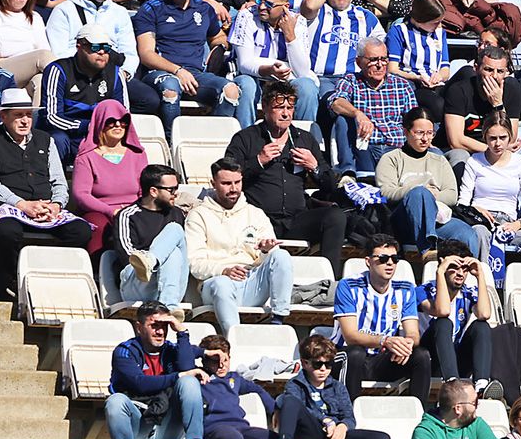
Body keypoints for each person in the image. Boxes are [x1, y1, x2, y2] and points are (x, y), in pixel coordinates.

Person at [0, 87, 93, 301]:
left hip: (47, 209)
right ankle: (7, 283)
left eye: (28, 115)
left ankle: (53, 279)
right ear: (4, 116)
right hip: (10, 208)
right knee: (7, 231)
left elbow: (58, 180)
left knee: (81, 231)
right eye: (18, 115)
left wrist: (56, 205)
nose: (24, 121)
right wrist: (22, 204)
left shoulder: (45, 139)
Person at [226, 80, 347, 276]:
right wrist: (258, 160)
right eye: (279, 107)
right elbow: (228, 179)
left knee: (335, 217)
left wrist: (314, 166)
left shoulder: (304, 139)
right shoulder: (245, 138)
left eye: (290, 108)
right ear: (265, 107)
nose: (286, 113)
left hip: (295, 220)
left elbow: (330, 186)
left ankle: (327, 280)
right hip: (258, 221)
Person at [103, 303, 218, 439]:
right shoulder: (125, 351)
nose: (160, 331)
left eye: (164, 326)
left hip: (168, 424)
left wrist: (180, 330)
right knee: (115, 402)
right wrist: (177, 376)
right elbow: (139, 383)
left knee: (189, 382)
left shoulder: (171, 349)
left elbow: (186, 365)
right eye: (154, 325)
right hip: (139, 422)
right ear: (139, 327)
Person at [185, 157, 294, 333]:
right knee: (222, 284)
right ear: (213, 183)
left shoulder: (255, 213)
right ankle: (234, 339)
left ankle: (278, 321)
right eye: (226, 183)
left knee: (281, 256)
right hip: (216, 283)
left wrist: (266, 251)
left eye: (237, 182)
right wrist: (223, 270)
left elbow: (272, 258)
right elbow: (194, 262)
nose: (234, 189)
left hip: (252, 280)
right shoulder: (198, 215)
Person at [133, 0, 238, 131]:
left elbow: (218, 37)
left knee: (230, 90)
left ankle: (215, 142)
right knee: (171, 88)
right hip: (161, 73)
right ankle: (171, 143)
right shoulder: (151, 9)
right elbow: (146, 54)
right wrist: (177, 71)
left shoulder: (203, 8)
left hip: (196, 75)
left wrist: (220, 47)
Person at [334, 233, 433, 403]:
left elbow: (413, 334)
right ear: (368, 261)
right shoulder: (348, 285)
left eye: (394, 259)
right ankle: (348, 418)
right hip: (346, 357)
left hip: (382, 359)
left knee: (421, 355)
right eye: (383, 258)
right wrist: (385, 341)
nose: (389, 263)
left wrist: (406, 345)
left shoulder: (405, 289)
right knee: (356, 354)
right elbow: (350, 336)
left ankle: (419, 418)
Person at [272, 333, 391, 439]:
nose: (323, 369)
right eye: (318, 364)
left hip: (336, 434)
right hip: (311, 432)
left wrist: (342, 426)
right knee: (290, 401)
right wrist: (326, 421)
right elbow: (299, 410)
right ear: (305, 363)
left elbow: (349, 416)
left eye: (328, 364)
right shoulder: (295, 384)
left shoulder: (337, 386)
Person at [376, 106, 476, 256]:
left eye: (430, 133)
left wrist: (431, 196)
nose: (425, 138)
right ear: (406, 132)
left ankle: (471, 273)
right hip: (403, 221)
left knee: (466, 233)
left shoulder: (439, 160)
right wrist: (419, 191)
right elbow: (386, 192)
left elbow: (451, 195)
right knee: (419, 193)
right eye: (419, 133)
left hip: (437, 220)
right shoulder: (391, 158)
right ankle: (427, 249)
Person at [457, 113, 521, 265]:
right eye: (492, 138)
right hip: (482, 221)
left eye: (503, 138)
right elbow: (463, 202)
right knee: (480, 233)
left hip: (509, 223)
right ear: (484, 137)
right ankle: (484, 280)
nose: (498, 143)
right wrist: (476, 209)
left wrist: (518, 224)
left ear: (510, 137)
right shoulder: (474, 161)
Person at [302, 0, 385, 135]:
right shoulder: (318, 12)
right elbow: (308, 6)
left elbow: (380, 51)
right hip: (321, 79)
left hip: (356, 81)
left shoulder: (367, 17)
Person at [37, 20, 125, 163]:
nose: (102, 52)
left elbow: (123, 113)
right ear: (79, 46)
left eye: (106, 48)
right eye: (95, 47)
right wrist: (87, 126)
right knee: (57, 140)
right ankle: (53, 183)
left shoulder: (115, 73)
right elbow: (51, 117)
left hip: (100, 135)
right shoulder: (58, 70)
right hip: (66, 134)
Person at [103, 163, 190, 310]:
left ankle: (152, 263)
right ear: (153, 191)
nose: (176, 193)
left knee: (174, 243)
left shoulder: (177, 213)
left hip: (171, 285)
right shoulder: (127, 215)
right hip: (137, 284)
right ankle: (169, 307)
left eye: (177, 188)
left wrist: (156, 260)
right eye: (171, 189)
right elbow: (128, 258)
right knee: (170, 250)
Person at [230, 0, 316, 127]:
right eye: (259, 1)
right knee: (246, 84)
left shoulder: (298, 22)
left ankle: (302, 140)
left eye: (269, 4)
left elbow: (302, 71)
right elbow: (244, 64)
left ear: (285, 7)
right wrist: (270, 69)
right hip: (254, 78)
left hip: (286, 81)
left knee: (307, 86)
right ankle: (246, 138)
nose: (262, 7)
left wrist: (290, 35)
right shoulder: (246, 16)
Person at [328, 36, 416, 178]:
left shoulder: (402, 85)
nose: (380, 65)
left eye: (384, 59)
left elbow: (414, 120)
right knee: (342, 120)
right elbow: (336, 102)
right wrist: (358, 113)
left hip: (396, 149)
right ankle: (348, 173)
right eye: (373, 60)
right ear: (358, 62)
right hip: (365, 147)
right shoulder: (350, 81)